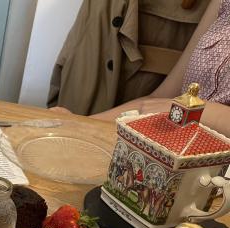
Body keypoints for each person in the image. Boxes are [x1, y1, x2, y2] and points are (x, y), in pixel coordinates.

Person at [54, 0, 230, 137]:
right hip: (166, 154)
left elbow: (168, 106)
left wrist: (190, 111)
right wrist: (78, 124)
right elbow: (160, 99)